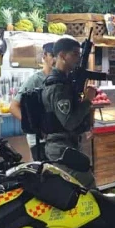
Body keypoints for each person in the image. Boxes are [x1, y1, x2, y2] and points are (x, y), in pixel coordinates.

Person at [41, 38, 96, 187]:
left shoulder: (64, 81)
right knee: (87, 185)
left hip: (66, 145)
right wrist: (87, 100)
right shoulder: (58, 86)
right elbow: (69, 122)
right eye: (75, 54)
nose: (78, 58)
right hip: (60, 148)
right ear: (62, 55)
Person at [10, 42, 54, 160]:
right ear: (44, 56)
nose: (55, 60)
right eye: (52, 55)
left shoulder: (61, 79)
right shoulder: (35, 80)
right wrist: (34, 126)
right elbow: (14, 107)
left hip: (54, 138)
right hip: (39, 140)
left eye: (58, 56)